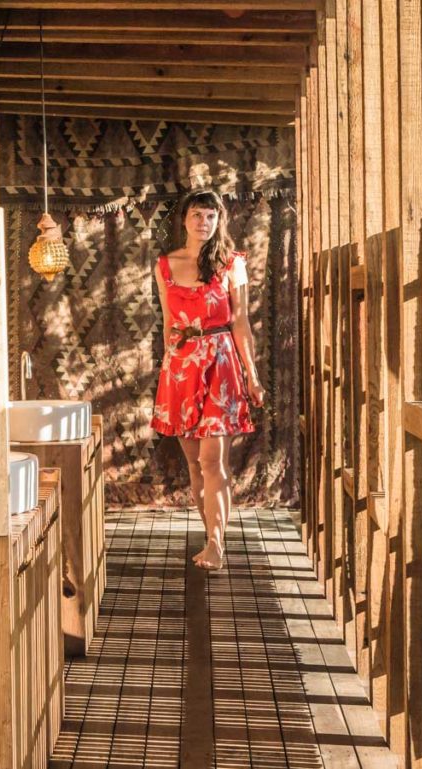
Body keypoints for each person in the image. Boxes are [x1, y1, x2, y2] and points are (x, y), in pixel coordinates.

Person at [151, 190, 265, 571]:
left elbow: (240, 322)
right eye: (197, 215)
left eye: (211, 216)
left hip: (221, 364)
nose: (204, 222)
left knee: (212, 461)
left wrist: (253, 376)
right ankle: (209, 537)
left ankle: (217, 544)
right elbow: (168, 321)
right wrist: (169, 366)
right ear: (184, 219)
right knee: (195, 467)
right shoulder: (164, 266)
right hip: (181, 367)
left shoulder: (231, 264)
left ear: (219, 221)